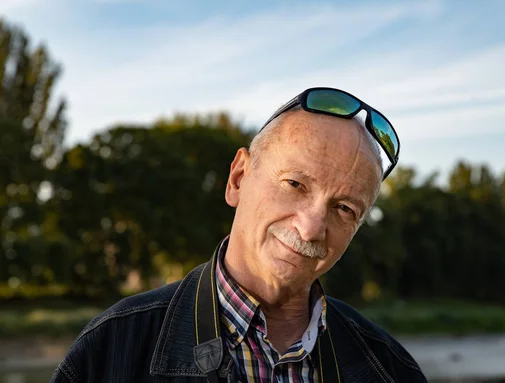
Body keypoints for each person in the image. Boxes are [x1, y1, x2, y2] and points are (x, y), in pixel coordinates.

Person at [50, 87, 428, 382]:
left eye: (344, 209)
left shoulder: (389, 368)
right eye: (295, 184)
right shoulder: (113, 347)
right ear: (238, 179)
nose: (311, 227)